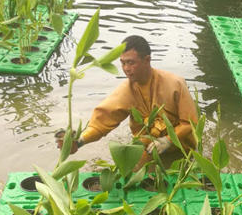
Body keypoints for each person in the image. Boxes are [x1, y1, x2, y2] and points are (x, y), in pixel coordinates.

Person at [57, 35, 198, 168]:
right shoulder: (126, 90)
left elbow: (190, 123)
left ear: (147, 60)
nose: (126, 69)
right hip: (147, 148)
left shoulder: (175, 84)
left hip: (182, 148)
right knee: (136, 176)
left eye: (131, 63)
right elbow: (101, 123)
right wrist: (79, 142)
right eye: (123, 63)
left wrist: (167, 140)